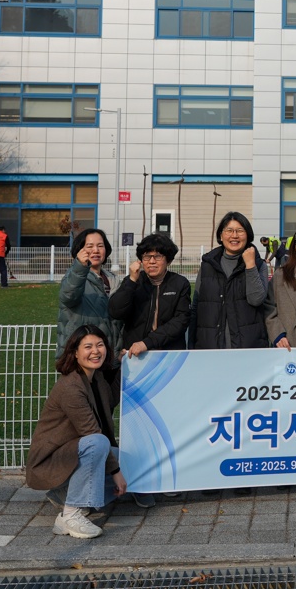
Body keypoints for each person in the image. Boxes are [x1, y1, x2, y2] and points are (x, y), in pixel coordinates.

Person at [24, 325, 127, 539]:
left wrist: (128, 365)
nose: (95, 351)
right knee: (99, 444)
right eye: (88, 346)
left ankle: (63, 495)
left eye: (100, 345)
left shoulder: (95, 378)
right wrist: (115, 473)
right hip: (51, 462)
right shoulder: (71, 387)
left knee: (126, 461)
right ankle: (72, 514)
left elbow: (111, 400)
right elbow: (91, 433)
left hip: (73, 455)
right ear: (75, 353)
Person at [191, 212, 273, 349]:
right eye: (229, 230)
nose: (234, 235)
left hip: (248, 348)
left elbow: (256, 299)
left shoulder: (259, 265)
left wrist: (250, 266)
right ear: (221, 235)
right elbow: (196, 306)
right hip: (210, 348)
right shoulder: (208, 264)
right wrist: (192, 344)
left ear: (248, 235)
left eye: (240, 231)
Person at [109, 233, 191, 358]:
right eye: (147, 257)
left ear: (168, 260)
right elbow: (116, 312)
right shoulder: (133, 281)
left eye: (157, 256)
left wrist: (147, 343)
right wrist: (131, 281)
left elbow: (180, 321)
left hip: (169, 353)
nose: (152, 261)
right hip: (135, 353)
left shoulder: (180, 284)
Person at [57, 227, 121, 361]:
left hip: (109, 358)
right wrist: (80, 266)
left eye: (100, 246)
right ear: (80, 251)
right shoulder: (74, 277)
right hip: (82, 359)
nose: (96, 250)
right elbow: (69, 296)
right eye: (89, 246)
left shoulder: (113, 279)